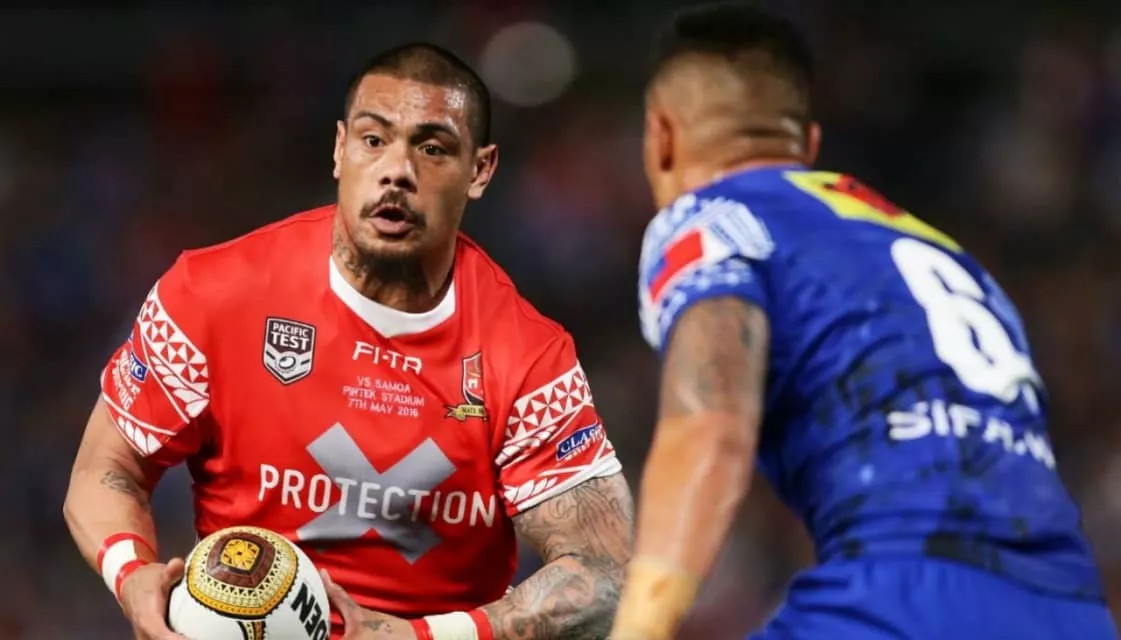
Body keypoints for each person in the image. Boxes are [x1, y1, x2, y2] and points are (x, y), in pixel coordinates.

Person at [64, 43, 633, 640]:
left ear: (480, 170)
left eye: (433, 148)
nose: (397, 170)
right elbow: (106, 469)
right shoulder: (212, 295)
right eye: (373, 139)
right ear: (340, 149)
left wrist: (418, 638)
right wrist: (131, 574)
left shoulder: (529, 358)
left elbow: (604, 574)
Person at [609, 4, 1117, 639]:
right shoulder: (951, 256)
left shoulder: (715, 217)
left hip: (902, 591)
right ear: (808, 148)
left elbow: (710, 425)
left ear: (661, 138)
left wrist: (639, 626)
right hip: (1070, 610)